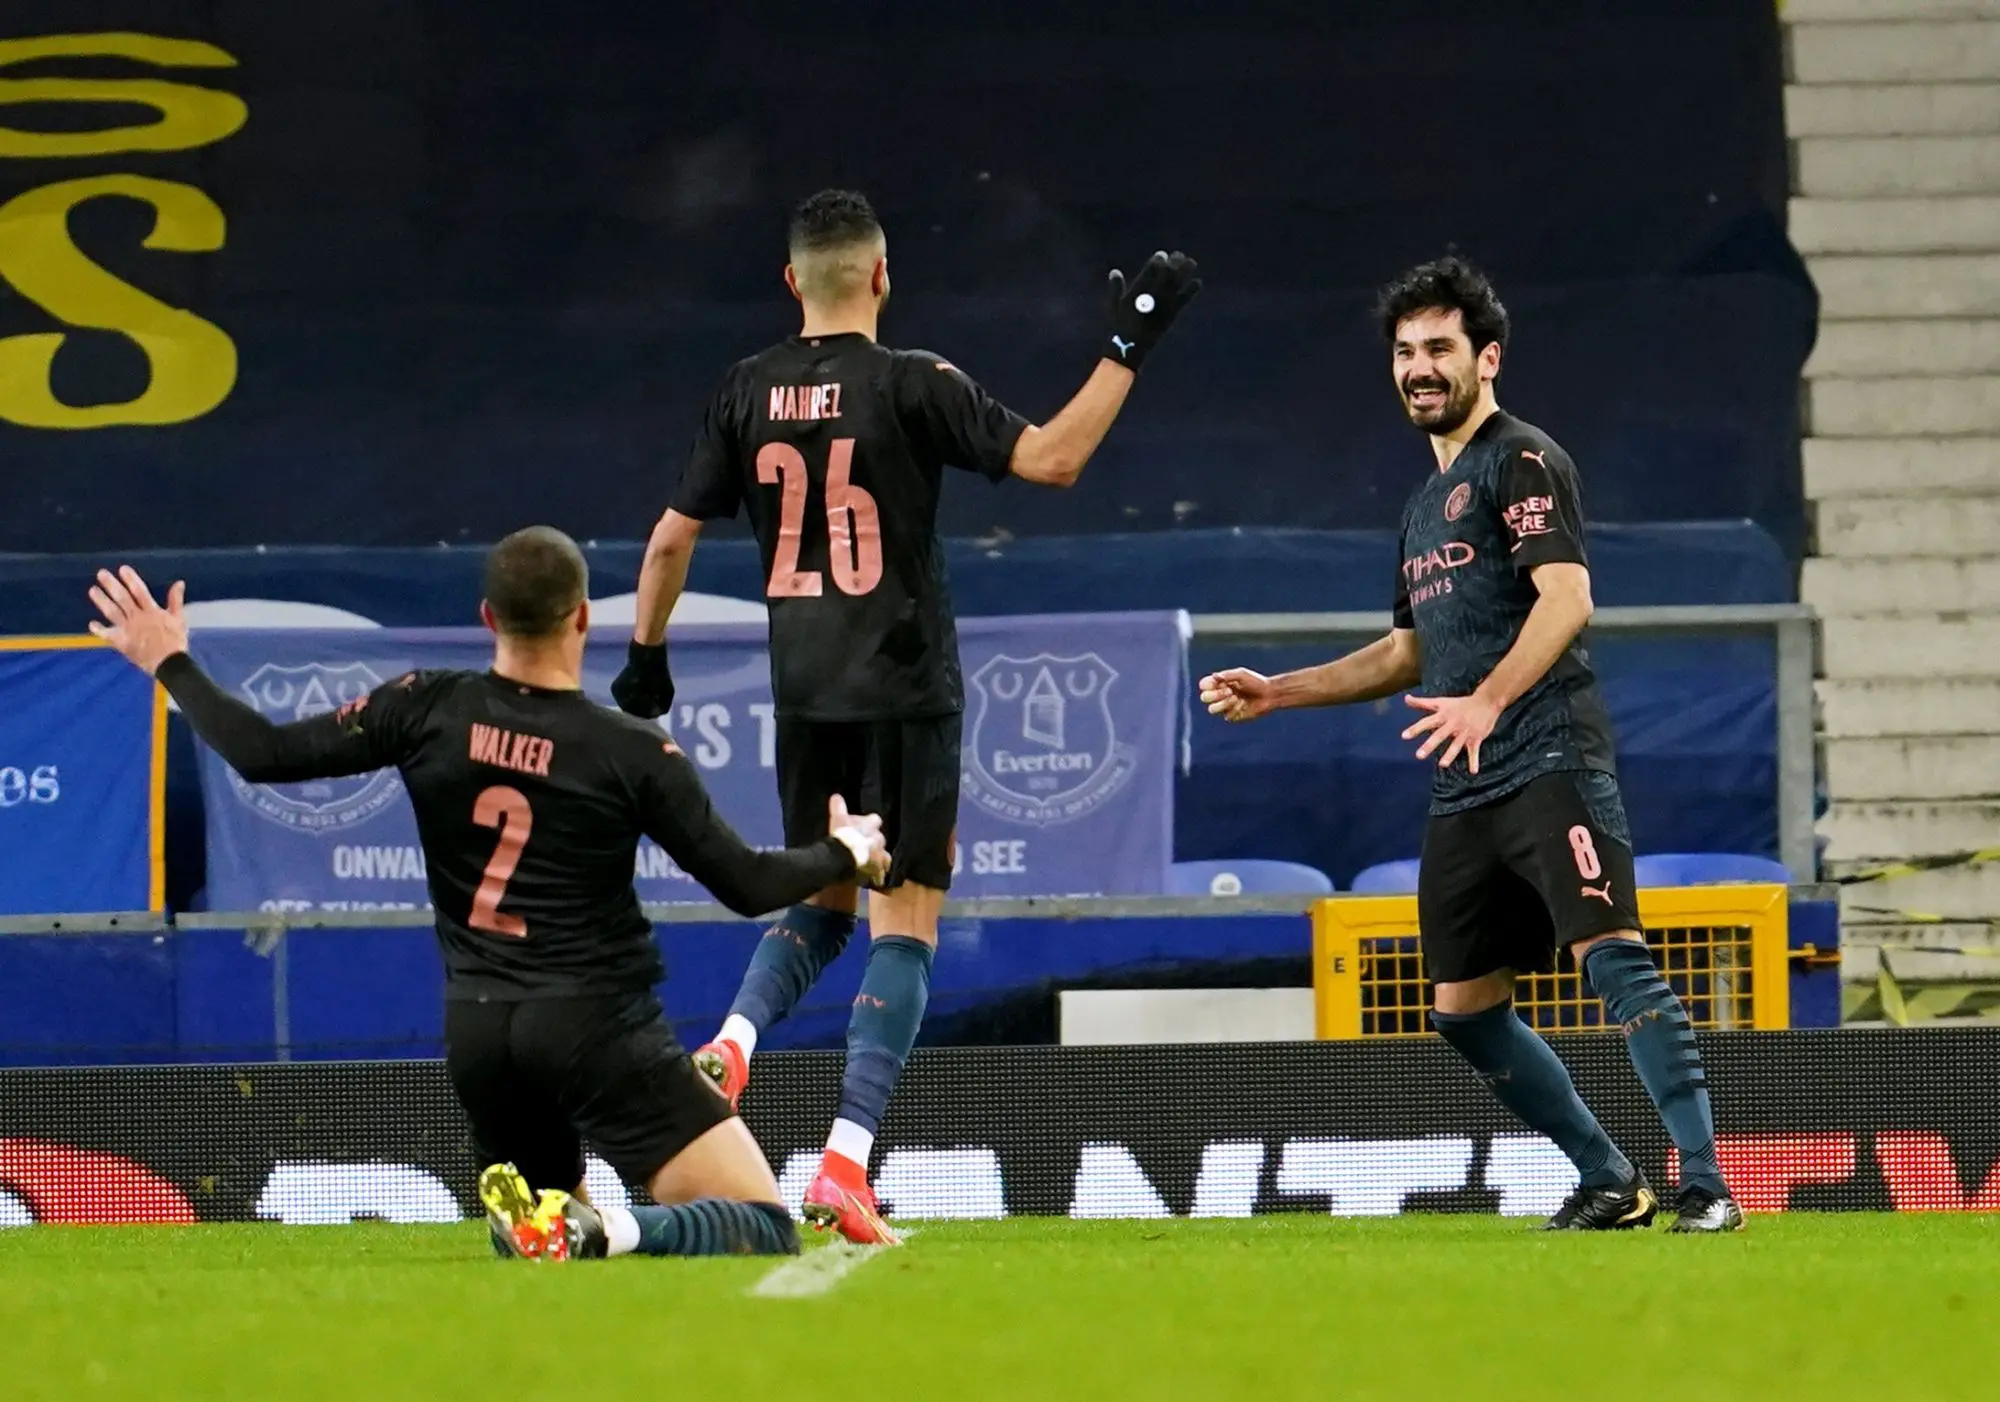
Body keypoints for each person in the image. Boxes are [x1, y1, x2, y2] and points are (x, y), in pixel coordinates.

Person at [611, 189, 1200, 1244]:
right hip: (906, 683)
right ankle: (844, 1162)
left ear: (790, 282)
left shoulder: (742, 389)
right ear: (882, 276)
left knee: (825, 893)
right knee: (907, 914)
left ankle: (735, 1040)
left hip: (805, 693)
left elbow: (667, 541)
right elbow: (1054, 460)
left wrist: (646, 663)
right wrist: (1128, 344)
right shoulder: (916, 381)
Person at [85, 527, 894, 1261]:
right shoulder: (629, 749)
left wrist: (170, 660)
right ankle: (609, 1227)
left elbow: (262, 752)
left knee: (545, 1243)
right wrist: (845, 850)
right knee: (761, 1224)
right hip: (594, 1028)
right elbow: (746, 883)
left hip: (481, 1035)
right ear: (583, 618)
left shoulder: (423, 706)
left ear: (487, 617)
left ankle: (570, 1227)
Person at [1198, 257, 1742, 1233]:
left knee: (1613, 958)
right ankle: (1609, 1179)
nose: (1419, 367)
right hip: (1467, 783)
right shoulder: (1421, 506)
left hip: (1548, 756)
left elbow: (1566, 598)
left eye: (1439, 348)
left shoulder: (1520, 458)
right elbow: (1406, 653)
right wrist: (1277, 692)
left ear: (1486, 359)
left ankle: (1706, 1187)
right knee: (1460, 1007)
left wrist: (1488, 700)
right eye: (1405, 351)